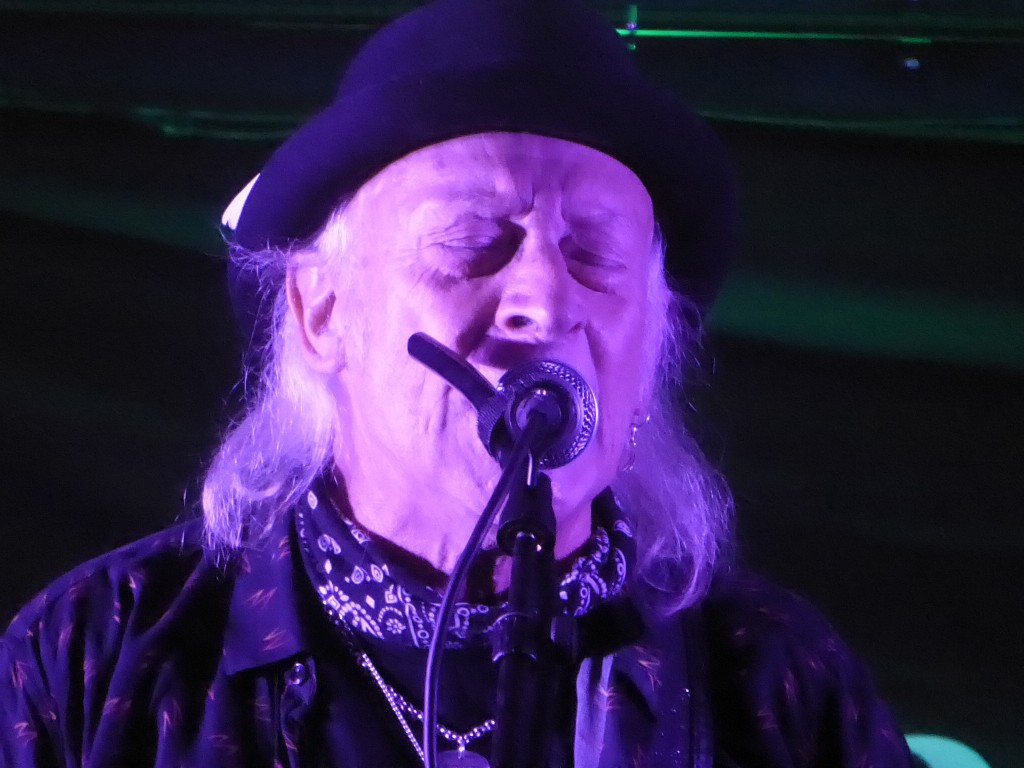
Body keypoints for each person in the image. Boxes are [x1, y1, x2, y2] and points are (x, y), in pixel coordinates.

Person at [1, 0, 915, 766]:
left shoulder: (777, 683)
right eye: (471, 241)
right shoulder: (97, 657)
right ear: (322, 312)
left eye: (597, 254)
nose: (544, 302)